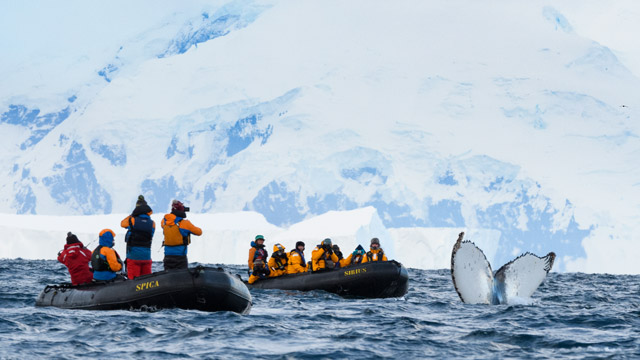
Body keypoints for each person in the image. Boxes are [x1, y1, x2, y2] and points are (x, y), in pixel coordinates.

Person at [120, 195, 155, 279]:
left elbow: (122, 224)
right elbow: (151, 235)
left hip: (133, 257)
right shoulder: (152, 223)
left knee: (133, 282)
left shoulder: (132, 220)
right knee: (146, 282)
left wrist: (133, 214)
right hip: (146, 256)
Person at [161, 200, 202, 270]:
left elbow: (168, 222)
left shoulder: (164, 222)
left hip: (167, 256)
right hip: (180, 257)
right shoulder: (184, 223)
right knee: (182, 277)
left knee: (169, 277)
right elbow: (199, 232)